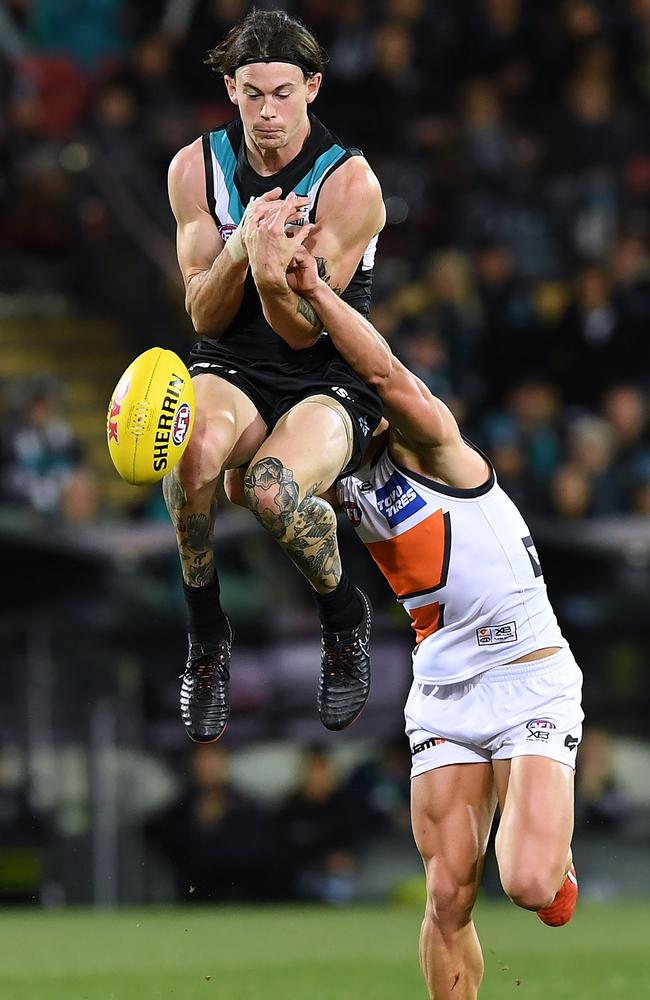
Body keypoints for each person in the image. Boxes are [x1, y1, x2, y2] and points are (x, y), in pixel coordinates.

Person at [226, 206, 584, 1000]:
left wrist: (315, 291)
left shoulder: (434, 440)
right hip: (444, 687)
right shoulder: (340, 469)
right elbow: (246, 477)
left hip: (528, 674)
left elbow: (384, 374)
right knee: (449, 895)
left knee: (528, 886)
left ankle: (553, 858)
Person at [164, 9, 385, 743]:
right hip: (232, 359)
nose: (268, 113)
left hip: (327, 370)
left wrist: (266, 271)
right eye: (253, 93)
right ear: (230, 89)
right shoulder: (195, 168)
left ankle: (343, 617)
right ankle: (205, 636)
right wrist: (240, 254)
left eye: (283, 94)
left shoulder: (348, 183)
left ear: (312, 87)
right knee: (184, 453)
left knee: (269, 491)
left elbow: (304, 327)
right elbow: (201, 315)